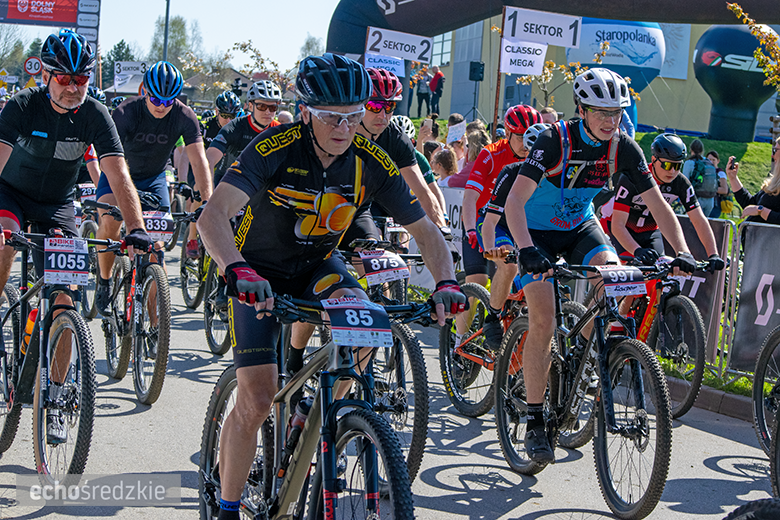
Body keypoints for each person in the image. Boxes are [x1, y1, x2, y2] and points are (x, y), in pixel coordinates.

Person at [196, 53, 466, 520]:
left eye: (353, 117)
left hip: (317, 265)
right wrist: (237, 269)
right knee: (257, 399)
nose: (344, 128)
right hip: (256, 271)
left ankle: (318, 413)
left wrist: (446, 281)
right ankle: (227, 506)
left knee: (366, 329)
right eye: (330, 117)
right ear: (305, 113)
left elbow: (426, 232)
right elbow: (212, 218)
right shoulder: (272, 148)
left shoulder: (370, 159)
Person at [502, 68, 697, 463]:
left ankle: (584, 354)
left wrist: (682, 252)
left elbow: (659, 205)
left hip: (580, 228)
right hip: (535, 233)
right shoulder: (555, 141)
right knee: (543, 318)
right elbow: (514, 203)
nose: (611, 121)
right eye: (601, 112)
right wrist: (525, 249)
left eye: (617, 112)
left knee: (613, 278)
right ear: (581, 109)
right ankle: (537, 421)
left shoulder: (625, 147)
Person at [0, 29, 152, 442]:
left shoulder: (96, 115)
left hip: (57, 205)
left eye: (81, 78)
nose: (73, 87)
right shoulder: (22, 106)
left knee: (64, 295)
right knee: (3, 241)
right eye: (64, 78)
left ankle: (54, 394)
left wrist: (136, 228)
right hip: (10, 195)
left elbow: (119, 175)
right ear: (46, 76)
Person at [94, 60, 213, 314]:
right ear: (144, 92)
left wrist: (207, 201)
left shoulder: (184, 116)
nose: (162, 106)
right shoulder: (126, 112)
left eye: (168, 101)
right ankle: (104, 280)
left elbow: (199, 160)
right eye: (156, 100)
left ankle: (155, 325)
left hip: (154, 178)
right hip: (118, 175)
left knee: (155, 244)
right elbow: (109, 159)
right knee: (110, 223)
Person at [461, 105, 542, 350]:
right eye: (520, 136)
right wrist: (469, 229)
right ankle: (460, 341)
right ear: (508, 133)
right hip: (484, 222)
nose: (527, 142)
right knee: (480, 277)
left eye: (532, 135)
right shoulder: (491, 154)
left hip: (519, 225)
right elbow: (469, 197)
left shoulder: (537, 159)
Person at [607, 133, 723, 273]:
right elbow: (617, 224)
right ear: (653, 159)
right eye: (667, 165)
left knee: (661, 276)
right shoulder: (633, 178)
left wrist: (713, 254)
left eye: (678, 166)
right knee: (629, 283)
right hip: (621, 230)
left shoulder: (681, 183)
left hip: (650, 233)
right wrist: (636, 250)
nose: (672, 171)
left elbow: (699, 219)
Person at [205, 80, 283, 189]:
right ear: (251, 106)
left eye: (273, 107)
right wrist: (207, 192)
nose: (267, 112)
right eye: (261, 106)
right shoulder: (235, 127)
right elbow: (209, 159)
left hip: (262, 184)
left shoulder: (279, 132)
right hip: (228, 179)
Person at [726, 138, 780, 224]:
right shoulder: (775, 181)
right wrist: (733, 178)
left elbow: (757, 209)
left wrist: (761, 210)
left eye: (775, 150)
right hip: (755, 236)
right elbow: (750, 205)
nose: (772, 155)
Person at [682, 138, 718, 216]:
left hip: (696, 199)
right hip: (710, 199)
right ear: (702, 151)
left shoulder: (690, 163)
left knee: (691, 225)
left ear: (691, 149)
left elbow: (684, 181)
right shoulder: (708, 162)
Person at [707, 149, 732, 218]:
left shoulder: (720, 173)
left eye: (713, 160)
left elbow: (724, 190)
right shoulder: (705, 171)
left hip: (715, 206)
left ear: (718, 161)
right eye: (709, 159)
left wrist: (709, 188)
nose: (711, 162)